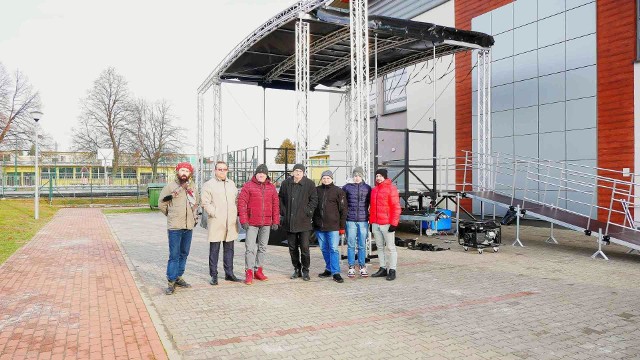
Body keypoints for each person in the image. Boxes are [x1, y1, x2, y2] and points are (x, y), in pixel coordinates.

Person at [158, 162, 198, 295]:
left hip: (188, 226)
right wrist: (171, 215)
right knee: (174, 255)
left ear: (190, 173)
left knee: (184, 253)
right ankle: (171, 281)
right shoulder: (170, 187)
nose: (184, 173)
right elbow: (162, 203)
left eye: (187, 171)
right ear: (177, 172)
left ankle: (179, 276)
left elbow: (196, 203)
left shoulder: (193, 187)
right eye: (182, 170)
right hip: (175, 227)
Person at [237, 164, 280, 285]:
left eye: (264, 173)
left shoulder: (271, 188)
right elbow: (242, 203)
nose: (261, 175)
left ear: (267, 175)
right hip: (251, 223)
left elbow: (275, 205)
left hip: (266, 223)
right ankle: (249, 271)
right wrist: (244, 220)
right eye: (259, 173)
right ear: (256, 174)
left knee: (262, 247)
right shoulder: (248, 186)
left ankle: (258, 270)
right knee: (250, 248)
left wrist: (275, 221)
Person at [201, 161, 241, 285]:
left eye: (224, 169)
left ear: (227, 170)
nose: (222, 171)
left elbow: (236, 200)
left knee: (229, 249)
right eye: (219, 169)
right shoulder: (208, 185)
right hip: (216, 221)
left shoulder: (232, 184)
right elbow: (205, 202)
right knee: (214, 250)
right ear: (215, 170)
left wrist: (235, 212)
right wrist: (214, 213)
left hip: (230, 222)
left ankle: (229, 273)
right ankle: (214, 275)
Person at [279, 163, 318, 281]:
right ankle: (297, 269)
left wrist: (308, 211)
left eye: (300, 171)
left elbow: (314, 199)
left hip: (304, 222)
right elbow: (280, 198)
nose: (297, 173)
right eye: (296, 171)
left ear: (303, 173)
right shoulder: (286, 183)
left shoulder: (309, 184)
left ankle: (306, 270)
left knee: (305, 248)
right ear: (292, 172)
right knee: (292, 247)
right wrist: (284, 212)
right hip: (289, 222)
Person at [313, 170, 347, 283]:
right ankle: (328, 268)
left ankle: (336, 272)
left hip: (333, 226)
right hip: (319, 226)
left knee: (333, 249)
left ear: (332, 179)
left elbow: (343, 210)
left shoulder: (338, 191)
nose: (326, 180)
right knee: (324, 248)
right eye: (324, 178)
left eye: (328, 178)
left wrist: (342, 226)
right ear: (321, 179)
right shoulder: (317, 190)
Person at [369, 168, 401, 281]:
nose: (378, 178)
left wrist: (394, 223)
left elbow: (396, 207)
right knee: (379, 247)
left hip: (387, 224)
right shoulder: (374, 190)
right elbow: (372, 208)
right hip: (376, 223)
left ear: (385, 177)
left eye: (380, 176)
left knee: (391, 247)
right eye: (377, 176)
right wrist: (371, 221)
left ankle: (392, 269)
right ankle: (383, 268)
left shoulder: (391, 189)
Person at [342, 166, 371, 278]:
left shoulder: (368, 188)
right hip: (350, 220)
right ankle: (351, 266)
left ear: (362, 176)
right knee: (351, 244)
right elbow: (343, 203)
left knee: (362, 244)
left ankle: (362, 266)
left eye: (359, 176)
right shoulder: (346, 188)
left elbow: (370, 203)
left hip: (363, 220)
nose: (357, 178)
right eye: (355, 176)